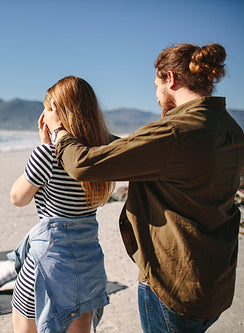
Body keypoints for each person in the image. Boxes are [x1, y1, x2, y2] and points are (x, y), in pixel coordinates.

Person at [44, 43, 244, 332]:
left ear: (170, 79)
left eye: (156, 84)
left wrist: (59, 130)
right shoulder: (230, 129)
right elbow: (136, 151)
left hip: (172, 285)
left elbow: (83, 166)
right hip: (215, 283)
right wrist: (90, 134)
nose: (156, 93)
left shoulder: (176, 132)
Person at [9, 76, 114, 333]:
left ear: (56, 113)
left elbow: (17, 198)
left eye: (46, 107)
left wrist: (44, 146)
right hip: (88, 263)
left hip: (48, 265)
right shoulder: (101, 151)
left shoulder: (47, 154)